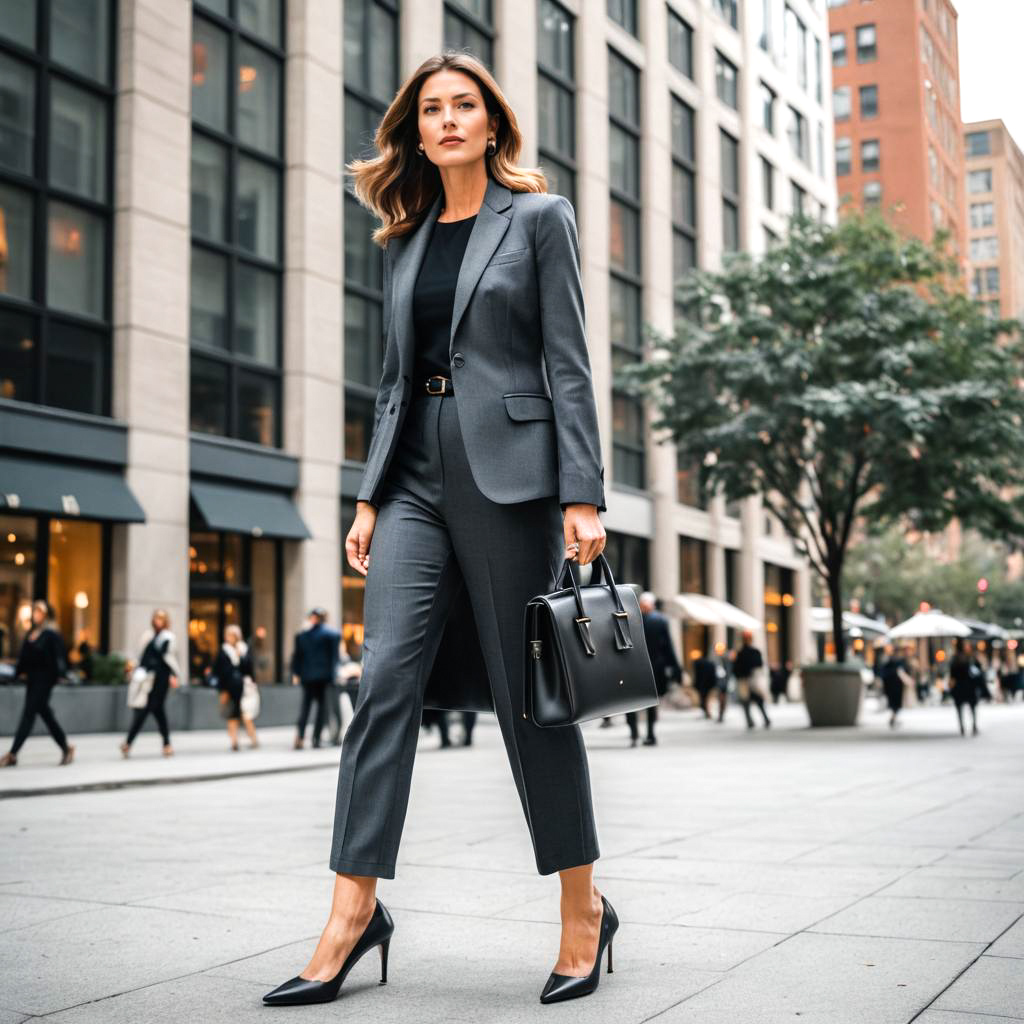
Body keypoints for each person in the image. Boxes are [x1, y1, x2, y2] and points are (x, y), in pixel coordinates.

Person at [263, 54, 616, 1009]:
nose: (449, 120)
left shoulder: (540, 220)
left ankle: (583, 914)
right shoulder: (404, 239)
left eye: (465, 106)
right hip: (413, 476)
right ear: (415, 131)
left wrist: (581, 490)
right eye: (433, 109)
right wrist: (371, 493)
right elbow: (390, 381)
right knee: (381, 685)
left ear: (492, 125)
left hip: (511, 482)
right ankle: (350, 916)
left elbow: (569, 361)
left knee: (529, 699)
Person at [1, 600, 75, 767]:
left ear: (46, 614)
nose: (36, 615)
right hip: (32, 680)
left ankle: (13, 753)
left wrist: (61, 674)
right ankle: (66, 747)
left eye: (40, 612)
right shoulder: (30, 634)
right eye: (35, 611)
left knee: (28, 715)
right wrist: (16, 674)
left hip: (45, 680)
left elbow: (60, 658)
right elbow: (23, 659)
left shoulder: (51, 634)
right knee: (46, 715)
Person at [120, 609, 181, 758]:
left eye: (161, 619)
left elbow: (170, 659)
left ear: (166, 621)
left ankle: (128, 743)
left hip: (161, 678)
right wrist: (132, 668)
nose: (158, 621)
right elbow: (142, 656)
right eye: (156, 618)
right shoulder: (148, 636)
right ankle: (167, 744)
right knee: (158, 710)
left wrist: (173, 675)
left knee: (146, 708)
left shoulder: (169, 637)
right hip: (148, 678)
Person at [625, 592, 681, 747]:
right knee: (650, 701)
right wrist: (676, 668)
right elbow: (668, 646)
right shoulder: (661, 620)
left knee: (631, 702)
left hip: (633, 667)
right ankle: (649, 733)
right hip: (654, 667)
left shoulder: (630, 619)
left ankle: (635, 733)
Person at [290, 608, 342, 750]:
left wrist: (296, 674)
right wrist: (334, 676)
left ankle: (300, 737)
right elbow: (334, 659)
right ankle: (316, 739)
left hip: (307, 677)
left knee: (305, 707)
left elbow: (296, 658)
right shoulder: (332, 635)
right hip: (324, 678)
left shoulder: (302, 636)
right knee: (321, 709)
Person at [213, 625, 260, 751]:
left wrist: (241, 657)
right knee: (232, 715)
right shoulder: (223, 651)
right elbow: (218, 671)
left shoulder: (244, 649)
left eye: (233, 635)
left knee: (247, 715)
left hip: (244, 688)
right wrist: (222, 690)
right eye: (228, 635)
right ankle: (234, 742)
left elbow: (249, 670)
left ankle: (254, 739)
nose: (230, 638)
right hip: (229, 688)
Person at [733, 630, 771, 729]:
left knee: (749, 701)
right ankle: (758, 719)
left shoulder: (742, 652)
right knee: (755, 700)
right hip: (749, 679)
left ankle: (753, 720)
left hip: (748, 679)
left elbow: (736, 668)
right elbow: (759, 665)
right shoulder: (752, 652)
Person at [949, 638, 982, 736]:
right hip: (969, 685)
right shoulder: (970, 657)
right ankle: (974, 725)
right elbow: (978, 669)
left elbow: (952, 674)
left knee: (959, 707)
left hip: (959, 686)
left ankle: (962, 727)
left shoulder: (954, 658)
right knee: (972, 707)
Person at [879, 644, 913, 729]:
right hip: (896, 686)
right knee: (896, 704)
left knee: (895, 704)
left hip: (893, 686)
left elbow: (883, 673)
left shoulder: (891, 661)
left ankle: (893, 718)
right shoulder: (898, 662)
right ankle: (893, 718)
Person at [692, 643, 719, 719]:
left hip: (705, 684)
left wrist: (697, 684)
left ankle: (707, 712)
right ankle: (707, 712)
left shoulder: (697, 663)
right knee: (705, 698)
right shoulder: (710, 663)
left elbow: (698, 675)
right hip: (709, 683)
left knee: (704, 698)